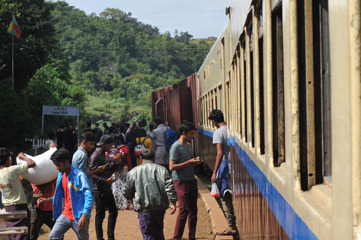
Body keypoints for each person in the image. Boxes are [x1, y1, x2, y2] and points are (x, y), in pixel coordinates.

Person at [38, 148, 93, 239]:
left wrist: (84, 215)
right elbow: (61, 195)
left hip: (79, 216)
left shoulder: (80, 176)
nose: (57, 168)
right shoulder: (61, 175)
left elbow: (89, 197)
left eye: (58, 165)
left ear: (66, 162)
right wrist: (48, 200)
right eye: (55, 165)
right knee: (53, 236)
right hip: (65, 214)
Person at [123, 149, 177, 240]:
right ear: (154, 158)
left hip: (144, 208)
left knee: (148, 234)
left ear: (141, 159)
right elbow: (170, 187)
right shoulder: (162, 170)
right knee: (158, 232)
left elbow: (128, 191)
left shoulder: (133, 172)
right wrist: (173, 202)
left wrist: (129, 197)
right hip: (160, 208)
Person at [169, 122, 202, 240]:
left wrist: (195, 161)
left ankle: (192, 236)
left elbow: (188, 162)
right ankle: (177, 237)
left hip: (190, 179)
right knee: (184, 209)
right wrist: (189, 162)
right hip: (180, 181)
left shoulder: (189, 145)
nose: (193, 136)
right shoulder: (175, 147)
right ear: (184, 133)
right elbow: (171, 167)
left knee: (193, 209)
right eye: (191, 134)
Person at [208, 109, 237, 235]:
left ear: (214, 121)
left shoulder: (218, 133)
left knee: (225, 196)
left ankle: (231, 226)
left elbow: (219, 154)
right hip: (235, 162)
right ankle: (232, 225)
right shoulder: (231, 128)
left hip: (225, 165)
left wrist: (214, 172)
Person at [89, 135, 122, 240]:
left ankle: (110, 237)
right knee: (100, 215)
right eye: (109, 145)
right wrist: (105, 181)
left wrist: (116, 163)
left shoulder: (104, 154)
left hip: (106, 188)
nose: (111, 147)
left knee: (113, 211)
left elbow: (107, 170)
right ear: (103, 145)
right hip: (99, 189)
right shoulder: (96, 155)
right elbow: (92, 174)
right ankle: (100, 238)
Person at [0, 148, 36, 240]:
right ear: (8, 159)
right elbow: (32, 163)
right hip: (20, 207)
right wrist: (22, 157)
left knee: (9, 233)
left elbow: (8, 183)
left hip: (7, 209)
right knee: (22, 234)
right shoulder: (13, 169)